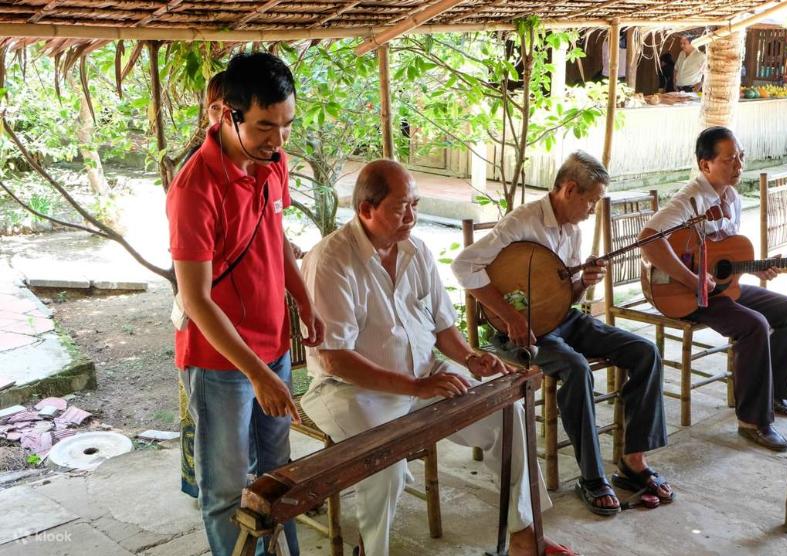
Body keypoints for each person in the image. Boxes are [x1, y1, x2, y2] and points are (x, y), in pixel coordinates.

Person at [299, 160, 572, 556]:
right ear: (365, 210)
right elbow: (335, 360)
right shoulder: (332, 261)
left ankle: (524, 536)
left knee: (505, 417)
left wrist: (470, 356)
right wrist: (416, 386)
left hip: (425, 374)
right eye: (400, 207)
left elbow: (443, 327)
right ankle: (369, 551)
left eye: (416, 204)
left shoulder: (416, 250)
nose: (411, 216)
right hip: (352, 391)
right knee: (385, 463)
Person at [453, 151, 672, 516]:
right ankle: (591, 476)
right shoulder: (521, 224)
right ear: (570, 190)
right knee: (576, 368)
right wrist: (510, 316)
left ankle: (634, 461)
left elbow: (564, 296)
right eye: (592, 201)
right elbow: (463, 266)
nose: (593, 209)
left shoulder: (574, 228)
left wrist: (582, 284)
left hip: (564, 320)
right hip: (523, 332)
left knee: (644, 351)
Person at [167, 52, 324, 556]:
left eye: (286, 125)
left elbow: (275, 238)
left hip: (272, 348)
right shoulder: (196, 187)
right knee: (225, 490)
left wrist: (304, 301)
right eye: (263, 127)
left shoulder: (272, 164)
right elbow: (195, 299)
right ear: (224, 113)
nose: (277, 141)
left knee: (278, 478)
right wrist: (257, 373)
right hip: (223, 364)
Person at [638, 127, 787, 452]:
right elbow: (648, 239)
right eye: (729, 159)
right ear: (705, 165)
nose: (738, 165)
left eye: (741, 156)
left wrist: (755, 268)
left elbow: (725, 256)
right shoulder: (689, 200)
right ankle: (753, 421)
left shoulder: (732, 198)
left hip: (720, 290)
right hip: (686, 294)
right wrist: (688, 278)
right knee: (753, 325)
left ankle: (772, 396)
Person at [179, 69, 225, 501]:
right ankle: (207, 490)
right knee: (207, 429)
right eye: (213, 108)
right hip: (202, 309)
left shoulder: (266, 160)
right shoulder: (194, 171)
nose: (218, 117)